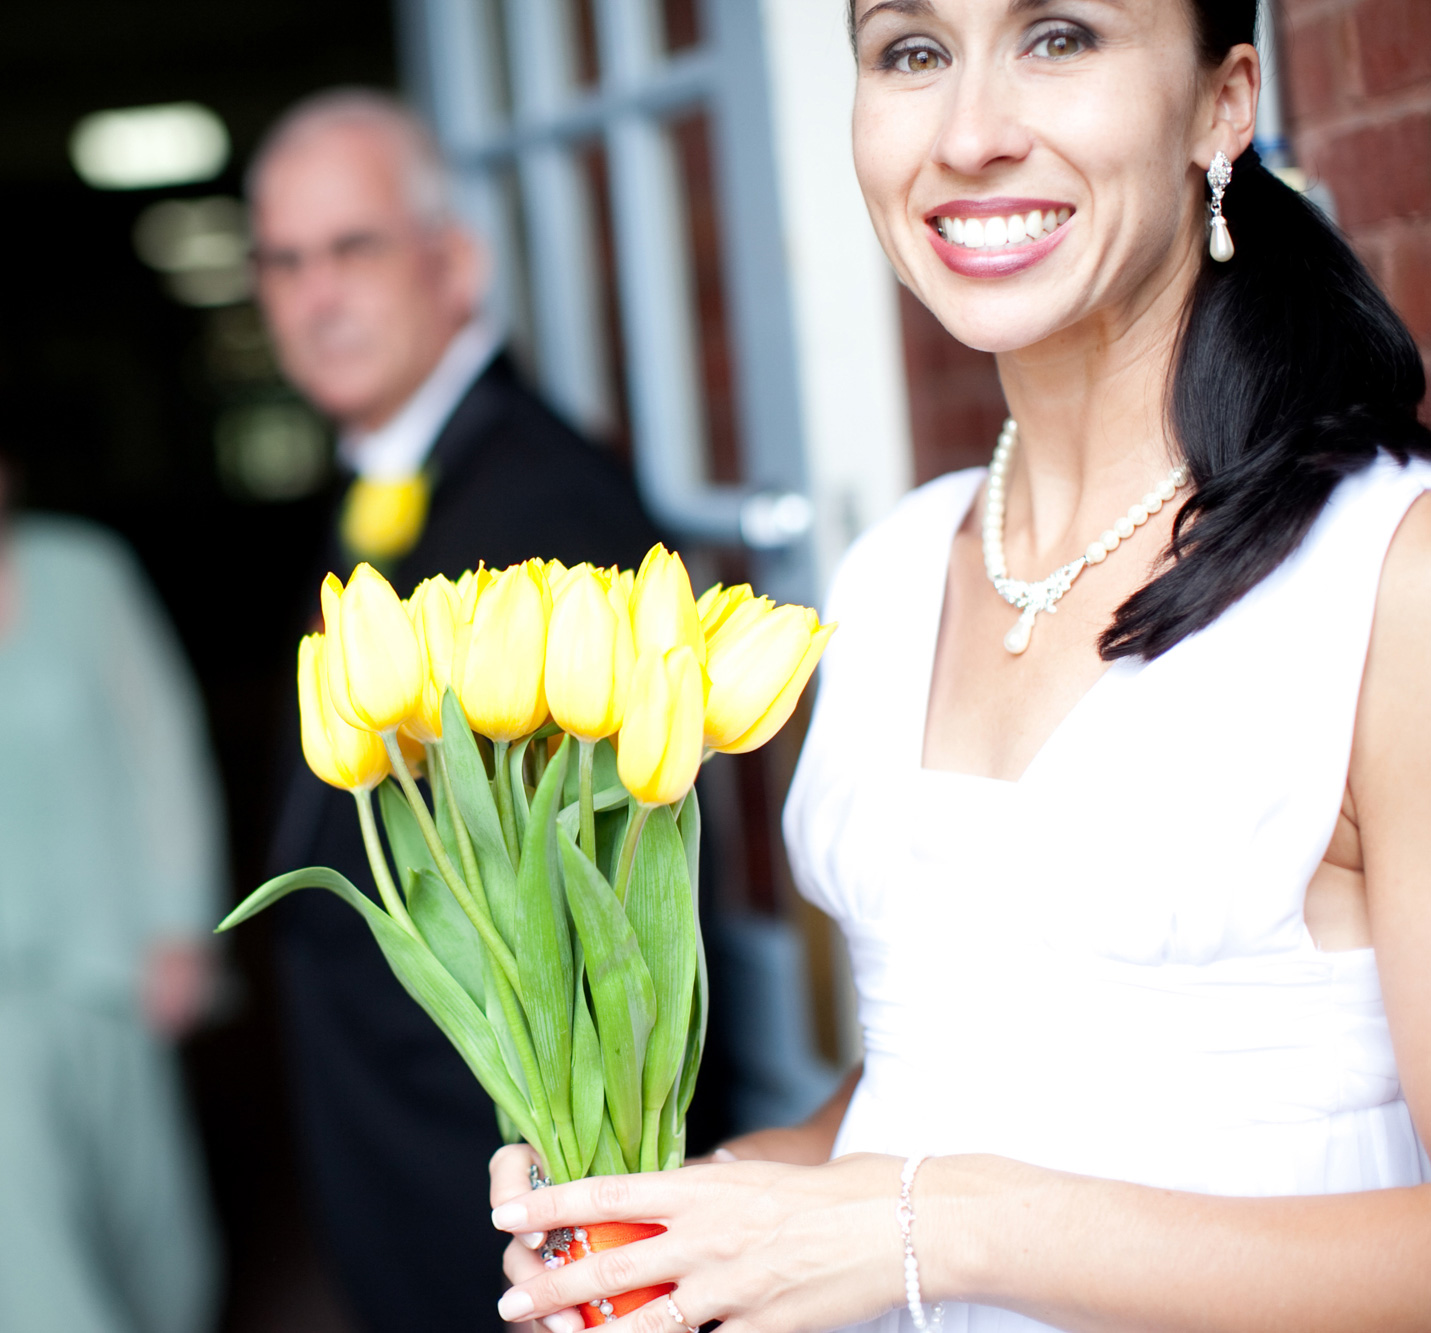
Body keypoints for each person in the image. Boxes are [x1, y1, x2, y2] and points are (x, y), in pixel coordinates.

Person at [488, 2, 1431, 1330]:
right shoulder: (891, 569)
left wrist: (944, 1226)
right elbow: (927, 1084)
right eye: (911, 53)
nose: (970, 135)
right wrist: (677, 1222)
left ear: (1221, 105)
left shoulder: (1383, 575)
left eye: (1057, 38)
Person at [252, 89, 661, 1333]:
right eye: (282, 261)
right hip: (397, 1154)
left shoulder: (541, 507)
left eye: (353, 247)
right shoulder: (398, 476)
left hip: (499, 1194)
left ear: (457, 262)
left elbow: (592, 934)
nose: (315, 293)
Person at [0, 457, 222, 1332]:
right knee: (28, 1233)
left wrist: (181, 925)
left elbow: (162, 745)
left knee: (152, 1213)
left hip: (116, 958)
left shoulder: (86, 574)